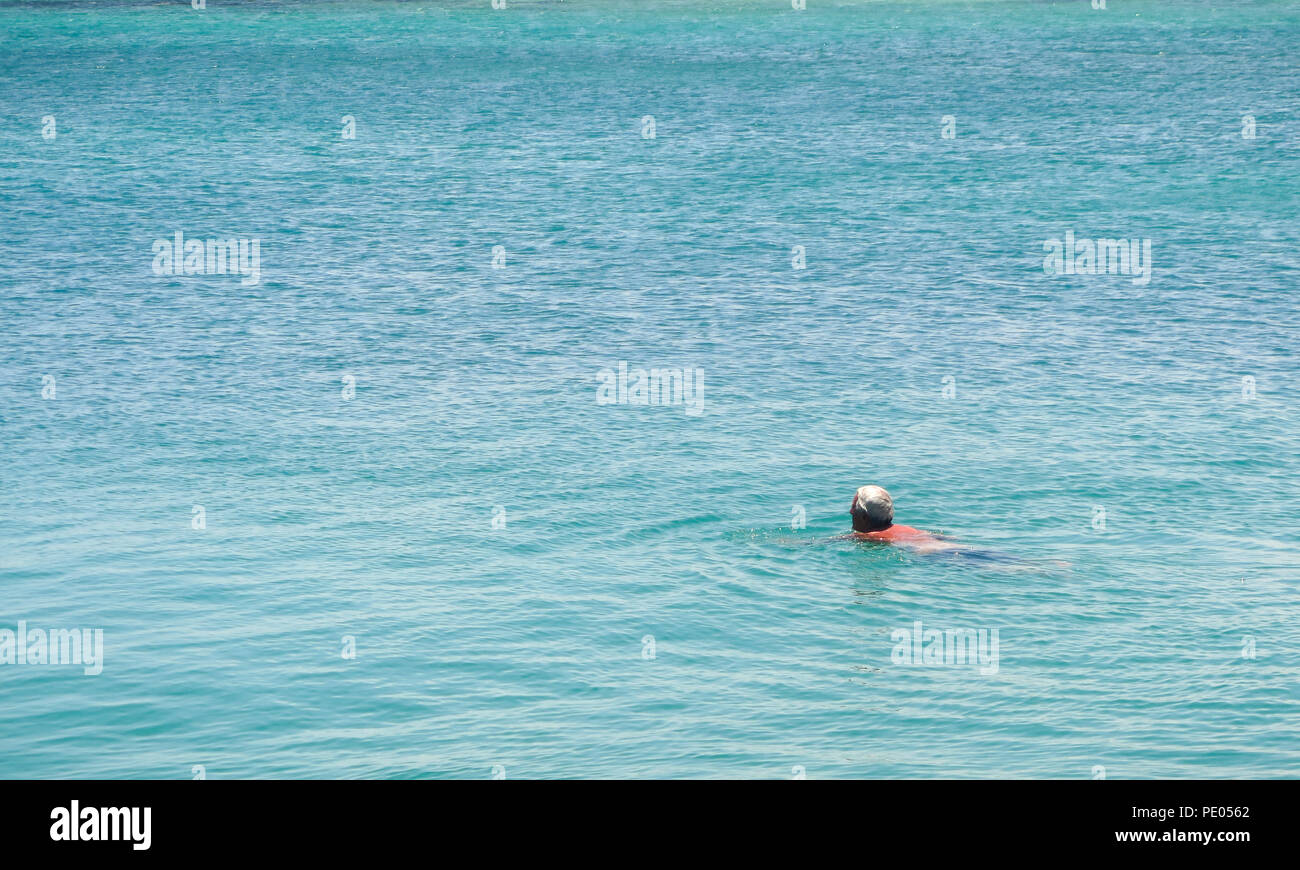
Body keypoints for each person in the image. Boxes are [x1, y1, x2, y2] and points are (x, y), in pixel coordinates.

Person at [847, 485, 951, 549]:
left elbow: (835, 540)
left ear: (864, 517)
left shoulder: (869, 536)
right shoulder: (907, 529)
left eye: (853, 508)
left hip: (933, 554)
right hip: (949, 548)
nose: (850, 512)